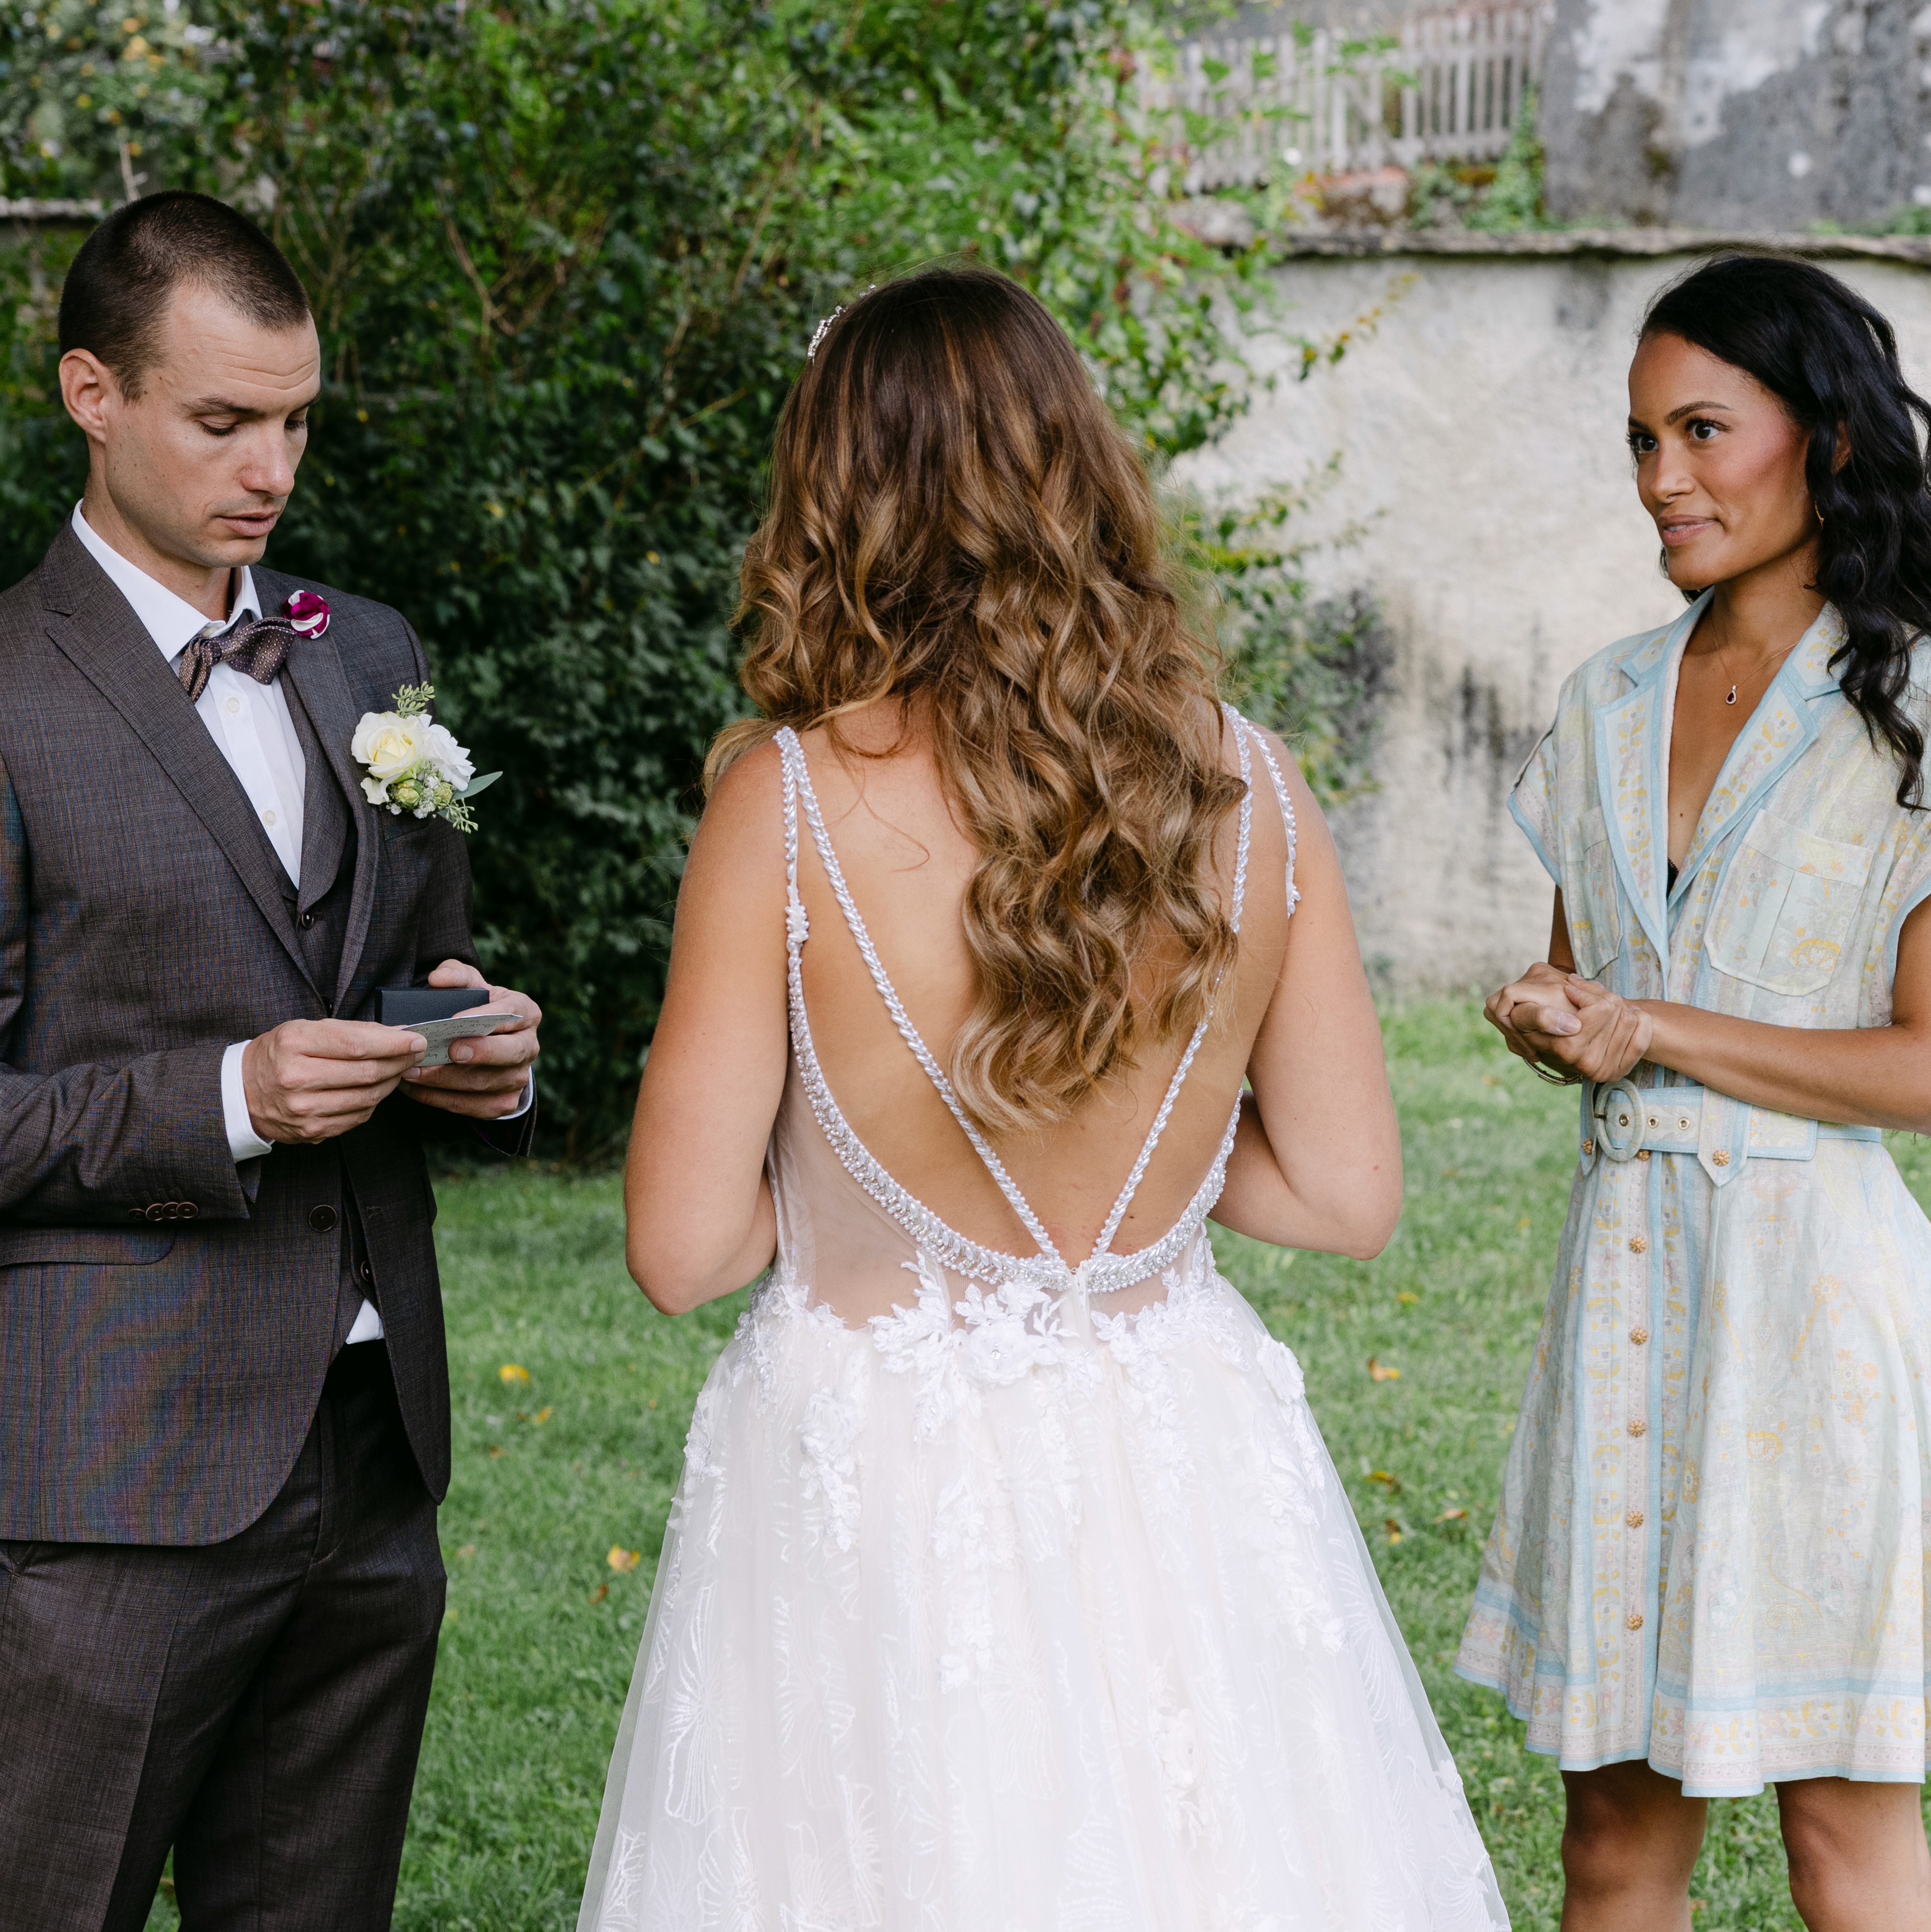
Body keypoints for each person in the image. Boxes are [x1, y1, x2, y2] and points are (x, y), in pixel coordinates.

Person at [584, 267, 1508, 1928]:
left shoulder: (782, 805)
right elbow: (1344, 1195)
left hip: (885, 1475)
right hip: (1179, 1447)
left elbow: (683, 1247)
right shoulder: (1251, 786)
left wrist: (860, 1170)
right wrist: (1152, 1127)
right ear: (1083, 468)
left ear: (833, 496)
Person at [0, 191, 541, 1932]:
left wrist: (479, 1050)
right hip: (111, 1472)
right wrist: (230, 1099)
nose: (271, 468)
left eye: (296, 421)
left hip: (371, 1443)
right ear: (93, 392)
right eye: (224, 420)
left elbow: (404, 964)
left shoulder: (363, 651)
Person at [1459, 253, 1931, 1932]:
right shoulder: (1604, 701)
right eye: (1641, 439)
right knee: (1612, 1841)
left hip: (1823, 1320)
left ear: (1831, 440)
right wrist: (1558, 1014)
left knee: (1840, 1843)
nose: (1661, 477)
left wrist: (1651, 1024)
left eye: (1703, 431)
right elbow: (1594, 971)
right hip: (1625, 1302)